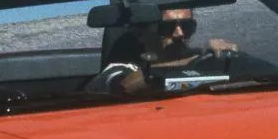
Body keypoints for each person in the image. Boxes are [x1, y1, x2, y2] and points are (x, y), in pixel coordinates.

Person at [91, 7, 238, 94]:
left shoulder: (203, 57)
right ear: (141, 34)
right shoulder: (119, 69)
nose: (179, 34)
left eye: (186, 26)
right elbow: (125, 84)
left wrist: (224, 57)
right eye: (167, 28)